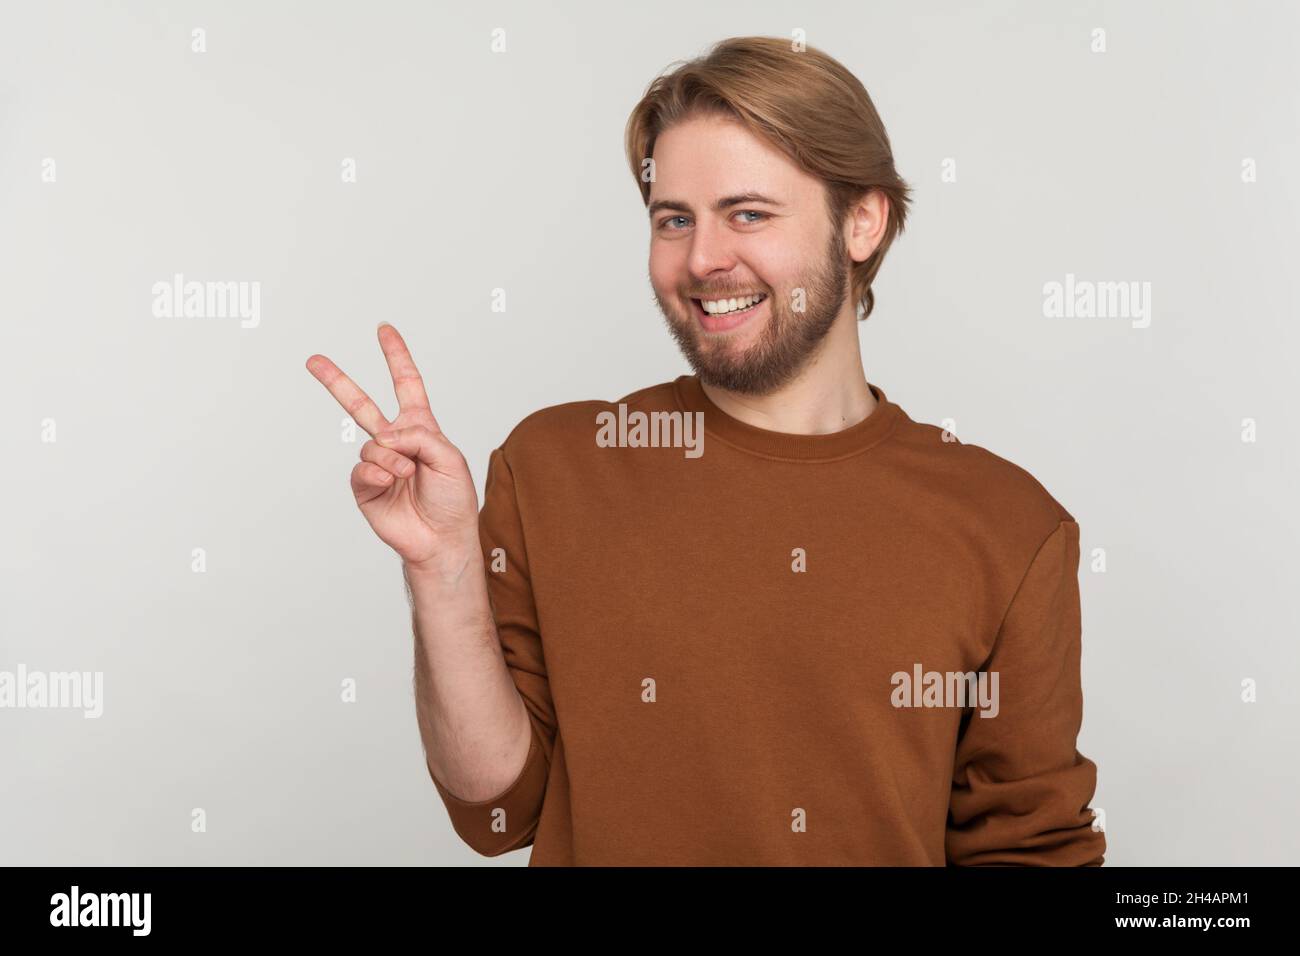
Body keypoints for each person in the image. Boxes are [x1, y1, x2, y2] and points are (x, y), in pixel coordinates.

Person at [306, 36, 1105, 866]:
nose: (702, 259)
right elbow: (497, 814)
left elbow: (1032, 849)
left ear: (861, 222)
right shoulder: (555, 467)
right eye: (673, 219)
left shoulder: (1010, 526)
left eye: (749, 212)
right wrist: (442, 573)